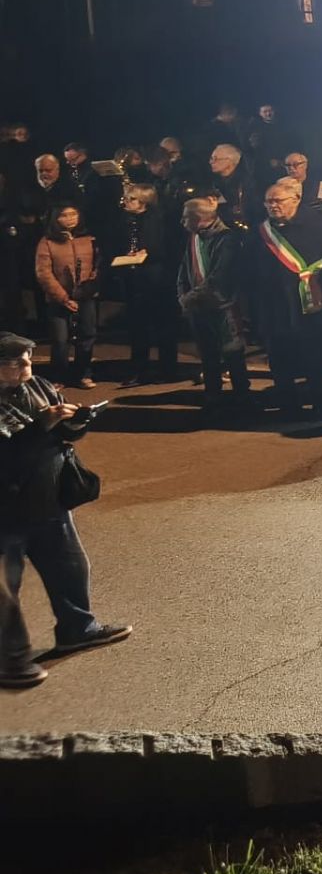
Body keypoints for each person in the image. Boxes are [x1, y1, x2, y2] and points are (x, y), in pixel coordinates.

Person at [0, 332, 132, 689]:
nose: (26, 365)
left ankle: (78, 628)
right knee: (7, 587)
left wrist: (77, 421)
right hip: (7, 508)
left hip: (48, 500)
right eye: (14, 362)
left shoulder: (39, 385)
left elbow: (65, 434)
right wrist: (42, 425)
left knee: (71, 568)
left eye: (28, 358)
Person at [250, 177, 322, 418]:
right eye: (268, 201)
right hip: (275, 306)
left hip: (312, 302)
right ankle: (287, 403)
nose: (273, 205)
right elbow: (250, 269)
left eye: (278, 201)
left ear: (295, 200)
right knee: (279, 356)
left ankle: (320, 402)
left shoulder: (319, 227)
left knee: (316, 355)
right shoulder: (261, 232)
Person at [176, 196, 250, 404]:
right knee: (207, 355)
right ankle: (212, 396)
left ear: (199, 218)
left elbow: (219, 277)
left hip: (223, 306)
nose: (182, 222)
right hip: (198, 306)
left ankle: (242, 398)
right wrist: (182, 295)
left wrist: (189, 297)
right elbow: (184, 270)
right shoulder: (194, 237)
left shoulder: (227, 239)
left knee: (232, 354)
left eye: (186, 217)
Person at [116, 183, 177, 385]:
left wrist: (149, 252)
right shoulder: (124, 220)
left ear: (145, 201)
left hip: (157, 280)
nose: (127, 202)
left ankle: (167, 369)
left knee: (163, 325)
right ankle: (138, 369)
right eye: (126, 198)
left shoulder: (161, 220)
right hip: (133, 279)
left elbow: (168, 247)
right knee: (137, 327)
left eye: (132, 198)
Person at [34, 204, 99, 389]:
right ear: (56, 218)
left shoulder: (89, 238)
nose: (70, 219)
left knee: (87, 335)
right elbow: (43, 273)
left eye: (73, 214)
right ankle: (58, 376)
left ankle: (83, 374)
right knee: (60, 339)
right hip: (58, 297)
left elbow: (97, 265)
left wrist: (90, 286)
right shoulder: (47, 241)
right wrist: (63, 298)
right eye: (64, 215)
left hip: (85, 295)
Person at [206, 143, 251, 230]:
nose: (210, 162)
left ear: (229, 161)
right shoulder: (213, 183)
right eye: (211, 158)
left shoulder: (248, 184)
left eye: (215, 159)